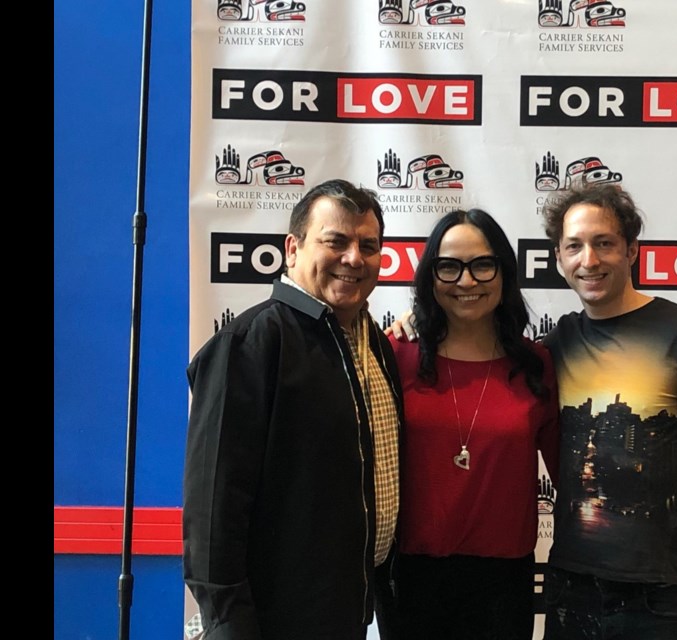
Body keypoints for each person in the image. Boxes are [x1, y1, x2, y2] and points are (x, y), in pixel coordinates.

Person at [182, 179, 403, 640]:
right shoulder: (248, 345)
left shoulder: (376, 346)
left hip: (352, 614)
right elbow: (213, 510)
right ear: (293, 248)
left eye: (368, 245)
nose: (353, 259)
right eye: (335, 241)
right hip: (271, 622)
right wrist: (230, 625)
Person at [540, 183, 677, 640]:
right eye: (574, 246)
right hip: (572, 590)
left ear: (632, 249)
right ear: (558, 258)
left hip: (665, 597)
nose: (589, 260)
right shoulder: (556, 344)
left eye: (604, 243)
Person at [387, 208, 560, 639]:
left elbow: (572, 473)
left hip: (504, 581)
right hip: (410, 576)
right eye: (449, 267)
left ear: (504, 273)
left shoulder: (535, 364)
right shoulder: (395, 355)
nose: (466, 282)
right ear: (430, 275)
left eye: (483, 265)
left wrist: (663, 502)